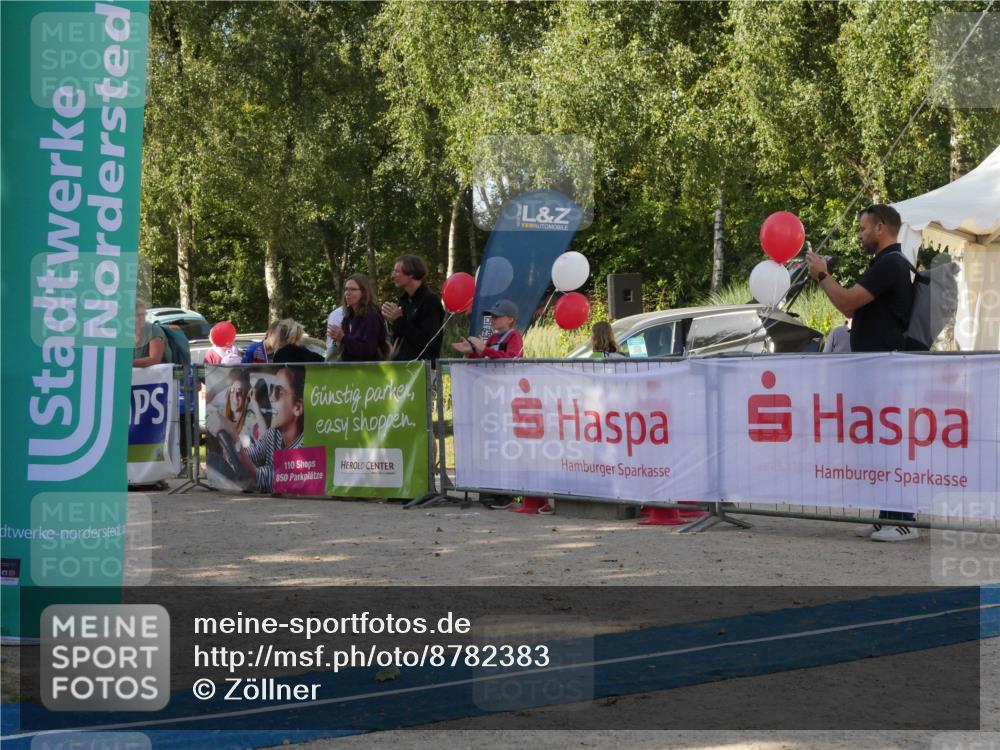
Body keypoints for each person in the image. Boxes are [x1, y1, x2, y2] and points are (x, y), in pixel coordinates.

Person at [807, 203, 917, 542]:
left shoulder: (890, 264)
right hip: (874, 368)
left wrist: (823, 275)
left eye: (862, 228)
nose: (859, 234)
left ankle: (904, 520)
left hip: (886, 368)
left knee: (890, 444)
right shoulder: (884, 264)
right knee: (876, 444)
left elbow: (847, 302)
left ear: (881, 227)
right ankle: (886, 514)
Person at [214, 365, 305, 493]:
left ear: (297, 408)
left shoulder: (304, 447)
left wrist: (234, 438)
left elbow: (259, 476)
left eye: (279, 391)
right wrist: (231, 452)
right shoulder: (274, 433)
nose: (271, 398)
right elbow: (254, 452)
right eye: (271, 389)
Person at [381, 254, 445, 362]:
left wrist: (399, 320)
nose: (393, 276)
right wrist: (392, 321)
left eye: (397, 271)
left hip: (422, 368)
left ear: (410, 273)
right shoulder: (404, 301)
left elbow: (429, 340)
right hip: (402, 367)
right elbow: (401, 337)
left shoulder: (430, 300)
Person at [328, 274, 388, 362]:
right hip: (350, 370)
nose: (348, 293)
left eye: (352, 289)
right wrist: (337, 341)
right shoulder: (348, 317)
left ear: (364, 292)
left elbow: (368, 351)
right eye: (346, 289)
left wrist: (342, 338)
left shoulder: (371, 316)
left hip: (370, 371)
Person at [451, 299, 523, 359]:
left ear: (510, 319)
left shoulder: (515, 335)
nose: (492, 319)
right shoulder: (492, 337)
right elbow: (483, 358)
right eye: (492, 316)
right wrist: (470, 352)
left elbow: (513, 359)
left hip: (508, 375)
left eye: (497, 316)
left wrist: (484, 350)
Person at [133, 299, 170, 367]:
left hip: (160, 376)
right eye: (137, 315)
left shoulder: (154, 331)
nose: (141, 318)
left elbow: (154, 360)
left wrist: (126, 363)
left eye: (143, 314)